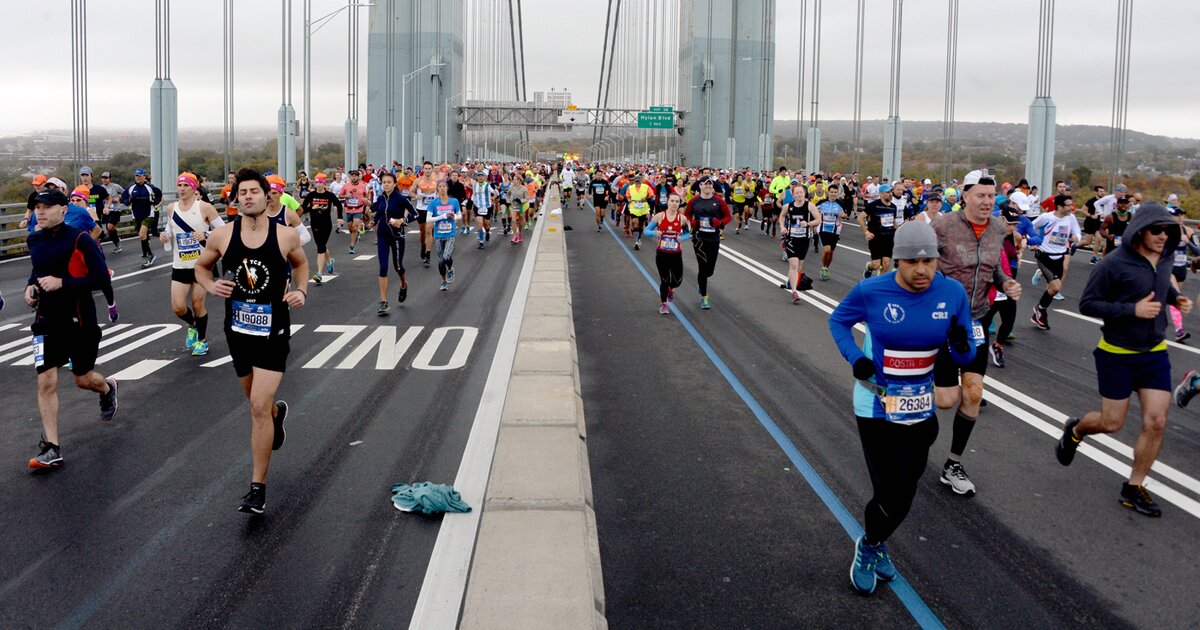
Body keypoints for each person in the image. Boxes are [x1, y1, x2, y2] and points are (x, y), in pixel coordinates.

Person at [829, 221, 976, 595]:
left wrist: (960, 345)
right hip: (877, 405)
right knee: (889, 492)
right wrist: (855, 360)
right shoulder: (872, 290)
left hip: (919, 407)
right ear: (897, 261)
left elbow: (966, 355)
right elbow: (839, 322)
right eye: (913, 261)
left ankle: (874, 543)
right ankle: (870, 547)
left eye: (929, 260)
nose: (922, 269)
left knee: (905, 491)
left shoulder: (953, 293)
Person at [1056, 202, 1192, 518]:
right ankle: (1075, 430)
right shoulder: (1114, 264)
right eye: (1156, 230)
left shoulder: (1167, 256)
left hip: (1154, 352)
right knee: (1112, 423)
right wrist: (1132, 310)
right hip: (1116, 353)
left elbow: (1161, 282)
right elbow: (1088, 304)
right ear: (1140, 230)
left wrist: (1175, 298)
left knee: (1156, 421)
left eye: (1169, 230)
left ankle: (1134, 486)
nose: (1163, 236)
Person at [193, 168, 309, 515]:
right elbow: (201, 268)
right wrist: (211, 285)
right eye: (241, 192)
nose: (247, 197)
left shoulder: (286, 236)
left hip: (273, 330)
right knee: (257, 404)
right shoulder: (223, 237)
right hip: (238, 331)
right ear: (236, 199)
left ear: (266, 196)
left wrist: (301, 289)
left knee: (257, 406)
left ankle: (257, 488)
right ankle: (277, 415)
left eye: (253, 191)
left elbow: (301, 265)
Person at [931, 169, 1023, 496]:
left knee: (972, 392)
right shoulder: (942, 226)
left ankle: (953, 464)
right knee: (945, 400)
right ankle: (908, 393)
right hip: (942, 320)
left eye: (991, 196)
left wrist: (1004, 282)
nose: (987, 202)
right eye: (980, 195)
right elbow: (920, 264)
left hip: (977, 321)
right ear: (965, 195)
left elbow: (992, 267)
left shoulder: (998, 228)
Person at [24, 188, 119, 471]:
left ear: (63, 210)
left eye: (47, 206)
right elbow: (37, 271)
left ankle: (107, 389)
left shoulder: (80, 239)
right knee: (46, 382)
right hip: (46, 320)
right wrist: (31, 287)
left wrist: (63, 283)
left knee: (82, 379)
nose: (40, 211)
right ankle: (52, 448)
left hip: (80, 320)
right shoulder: (34, 239)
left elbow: (102, 278)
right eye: (37, 206)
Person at [160, 173, 224, 356]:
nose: (181, 188)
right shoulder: (171, 208)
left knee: (197, 305)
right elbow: (169, 229)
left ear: (193, 188)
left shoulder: (205, 207)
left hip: (201, 265)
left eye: (186, 185)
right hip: (180, 264)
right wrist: (166, 236)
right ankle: (193, 325)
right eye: (179, 185)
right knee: (178, 307)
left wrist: (206, 235)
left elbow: (223, 231)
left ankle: (202, 341)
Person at [1029, 195, 1082, 330]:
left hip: (1059, 257)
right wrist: (1032, 242)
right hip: (1044, 256)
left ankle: (1039, 311)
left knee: (1052, 290)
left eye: (1072, 204)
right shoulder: (1047, 217)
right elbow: (1030, 227)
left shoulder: (1071, 218)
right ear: (1059, 207)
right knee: (1056, 287)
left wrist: (1076, 238)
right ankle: (1040, 310)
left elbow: (1077, 232)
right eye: (1069, 205)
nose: (1072, 207)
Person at [681, 177, 732, 309]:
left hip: (714, 238)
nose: (708, 186)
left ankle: (701, 281)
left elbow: (728, 217)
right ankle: (704, 296)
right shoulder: (694, 201)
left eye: (710, 184)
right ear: (700, 186)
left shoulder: (719, 201)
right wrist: (692, 223)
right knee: (702, 267)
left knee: (710, 270)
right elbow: (686, 216)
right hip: (699, 238)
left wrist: (720, 223)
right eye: (706, 184)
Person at [371, 172, 418, 314]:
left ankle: (403, 284)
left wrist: (402, 221)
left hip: (397, 236)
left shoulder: (401, 199)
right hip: (382, 236)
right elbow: (378, 214)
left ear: (394, 184)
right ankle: (384, 302)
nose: (386, 184)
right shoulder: (380, 198)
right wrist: (372, 222)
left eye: (389, 182)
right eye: (384, 182)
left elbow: (415, 214)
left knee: (398, 266)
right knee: (383, 267)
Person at [644, 193, 692, 314]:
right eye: (672, 201)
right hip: (662, 254)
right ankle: (664, 303)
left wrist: (683, 238)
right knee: (664, 280)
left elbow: (688, 233)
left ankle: (671, 289)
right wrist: (655, 233)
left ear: (678, 204)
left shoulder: (682, 218)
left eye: (677, 201)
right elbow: (646, 231)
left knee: (677, 281)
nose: (674, 203)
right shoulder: (659, 216)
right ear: (668, 202)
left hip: (676, 254)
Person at [779, 180, 820, 304]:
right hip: (791, 239)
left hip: (804, 239)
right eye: (797, 193)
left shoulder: (809, 206)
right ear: (793, 194)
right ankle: (794, 292)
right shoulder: (788, 206)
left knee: (799, 266)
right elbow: (782, 216)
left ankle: (789, 281)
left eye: (801, 193)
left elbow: (818, 220)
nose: (799, 195)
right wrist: (782, 227)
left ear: (804, 194)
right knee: (794, 265)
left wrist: (807, 223)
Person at [302, 173, 343, 283]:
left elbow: (339, 205)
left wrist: (340, 217)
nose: (319, 184)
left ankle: (319, 274)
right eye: (317, 182)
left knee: (320, 248)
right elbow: (302, 209)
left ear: (324, 184)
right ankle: (329, 262)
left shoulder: (329, 195)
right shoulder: (311, 195)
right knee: (322, 246)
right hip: (315, 224)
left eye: (321, 182)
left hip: (326, 225)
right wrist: (312, 208)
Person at [120, 169, 164, 268]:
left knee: (142, 234)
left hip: (149, 214)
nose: (138, 178)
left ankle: (146, 256)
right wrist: (128, 201)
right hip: (136, 214)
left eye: (140, 176)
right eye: (136, 176)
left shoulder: (150, 188)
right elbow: (123, 198)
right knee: (142, 236)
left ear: (144, 177)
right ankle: (150, 254)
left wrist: (153, 201)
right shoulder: (131, 188)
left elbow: (159, 196)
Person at [860, 183, 899, 278]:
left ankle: (879, 285)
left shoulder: (893, 207)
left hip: (889, 239)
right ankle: (869, 267)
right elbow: (860, 218)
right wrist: (866, 232)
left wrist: (900, 231)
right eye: (888, 192)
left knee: (886, 264)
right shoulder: (873, 205)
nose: (890, 194)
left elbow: (893, 222)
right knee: (876, 265)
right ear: (881, 194)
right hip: (876, 239)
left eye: (891, 192)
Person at [429, 180, 460, 291]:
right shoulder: (434, 203)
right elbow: (428, 219)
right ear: (437, 189)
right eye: (440, 187)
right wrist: (442, 216)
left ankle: (450, 269)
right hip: (438, 234)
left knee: (447, 256)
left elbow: (459, 215)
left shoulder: (454, 201)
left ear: (447, 188)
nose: (442, 188)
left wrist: (454, 217)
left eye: (444, 186)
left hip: (450, 233)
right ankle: (443, 280)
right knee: (441, 261)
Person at [339, 169, 371, 254]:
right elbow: (340, 195)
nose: (354, 177)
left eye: (355, 176)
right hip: (348, 209)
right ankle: (356, 234)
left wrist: (366, 201)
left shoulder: (363, 186)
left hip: (358, 209)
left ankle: (352, 247)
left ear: (358, 177)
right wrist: (346, 195)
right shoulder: (346, 185)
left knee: (355, 227)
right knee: (350, 229)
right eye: (352, 176)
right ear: (350, 177)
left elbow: (366, 195)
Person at [99, 171, 125, 251]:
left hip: (115, 210)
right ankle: (116, 241)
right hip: (106, 211)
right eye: (103, 178)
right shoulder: (101, 188)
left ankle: (117, 241)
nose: (104, 180)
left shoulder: (115, 186)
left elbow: (125, 193)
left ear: (110, 179)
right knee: (108, 229)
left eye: (106, 178)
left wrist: (119, 198)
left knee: (110, 227)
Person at [470, 171, 497, 249]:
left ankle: (487, 231)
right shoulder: (475, 186)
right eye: (479, 176)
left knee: (486, 224)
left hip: (487, 207)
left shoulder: (488, 186)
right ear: (477, 178)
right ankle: (481, 242)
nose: (480, 177)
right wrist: (472, 209)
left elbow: (495, 193)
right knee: (479, 224)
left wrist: (493, 199)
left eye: (482, 176)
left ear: (484, 177)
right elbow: (473, 197)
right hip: (477, 207)